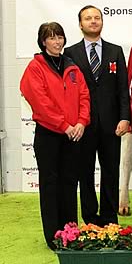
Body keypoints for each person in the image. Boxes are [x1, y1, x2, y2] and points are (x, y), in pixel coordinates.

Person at [20, 22, 90, 249]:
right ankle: (54, 235)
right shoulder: (35, 67)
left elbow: (84, 96)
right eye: (51, 38)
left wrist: (81, 122)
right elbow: (40, 101)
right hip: (49, 135)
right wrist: (64, 125)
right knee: (50, 185)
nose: (57, 41)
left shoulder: (73, 67)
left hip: (73, 135)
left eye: (59, 37)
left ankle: (70, 230)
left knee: (70, 183)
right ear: (43, 41)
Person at [64, 5, 130, 226]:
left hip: (112, 124)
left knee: (111, 171)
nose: (93, 21)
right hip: (83, 124)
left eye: (97, 18)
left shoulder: (115, 51)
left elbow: (123, 89)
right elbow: (68, 91)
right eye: (88, 18)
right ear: (80, 24)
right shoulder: (70, 53)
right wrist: (73, 121)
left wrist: (125, 118)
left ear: (102, 22)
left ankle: (110, 218)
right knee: (85, 172)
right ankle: (91, 217)